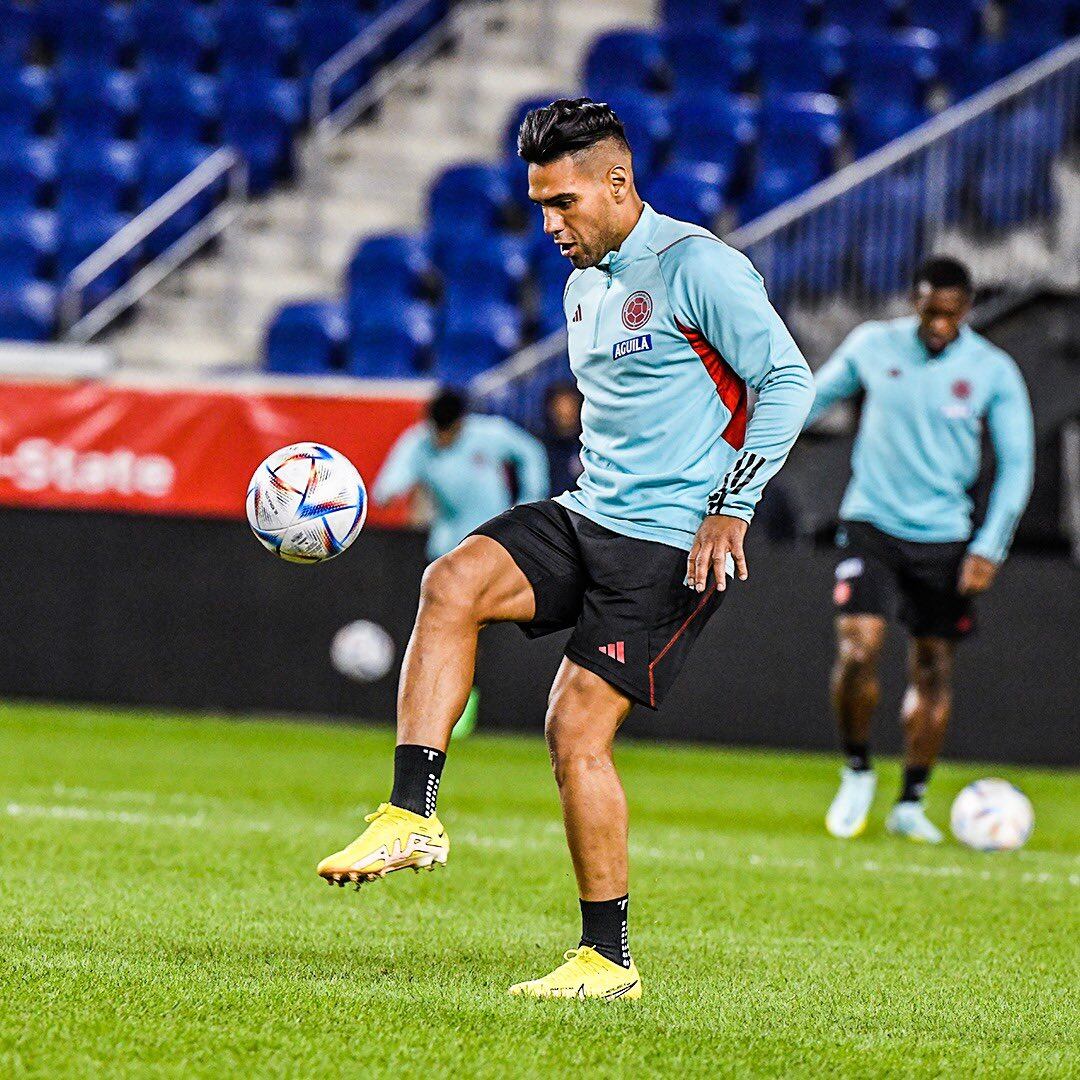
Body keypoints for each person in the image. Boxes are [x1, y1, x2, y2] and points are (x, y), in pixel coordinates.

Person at [318, 98, 814, 1000]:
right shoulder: (583, 282)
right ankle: (411, 813)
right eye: (540, 206)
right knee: (452, 580)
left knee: (573, 731)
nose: (550, 227)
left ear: (618, 184)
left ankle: (606, 959)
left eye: (564, 204)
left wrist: (732, 507)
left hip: (671, 542)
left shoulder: (700, 266)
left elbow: (787, 378)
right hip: (589, 511)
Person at [805, 257, 1034, 844]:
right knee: (859, 650)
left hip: (946, 538)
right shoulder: (873, 345)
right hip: (872, 521)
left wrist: (991, 544)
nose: (939, 325)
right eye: (930, 312)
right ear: (915, 300)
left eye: (951, 315)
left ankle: (911, 800)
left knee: (932, 666)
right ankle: (856, 769)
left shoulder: (992, 370)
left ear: (968, 309)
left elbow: (1017, 464)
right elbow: (809, 400)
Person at [373, 387, 549, 563]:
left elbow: (531, 451)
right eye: (437, 431)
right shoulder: (420, 442)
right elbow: (389, 484)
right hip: (448, 546)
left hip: (495, 539)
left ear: (460, 423)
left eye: (447, 432)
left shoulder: (488, 433)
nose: (441, 438)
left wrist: (529, 501)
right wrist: (388, 493)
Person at [539, 381, 585, 497]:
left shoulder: (590, 444)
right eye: (559, 406)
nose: (564, 412)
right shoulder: (540, 447)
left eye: (570, 406)